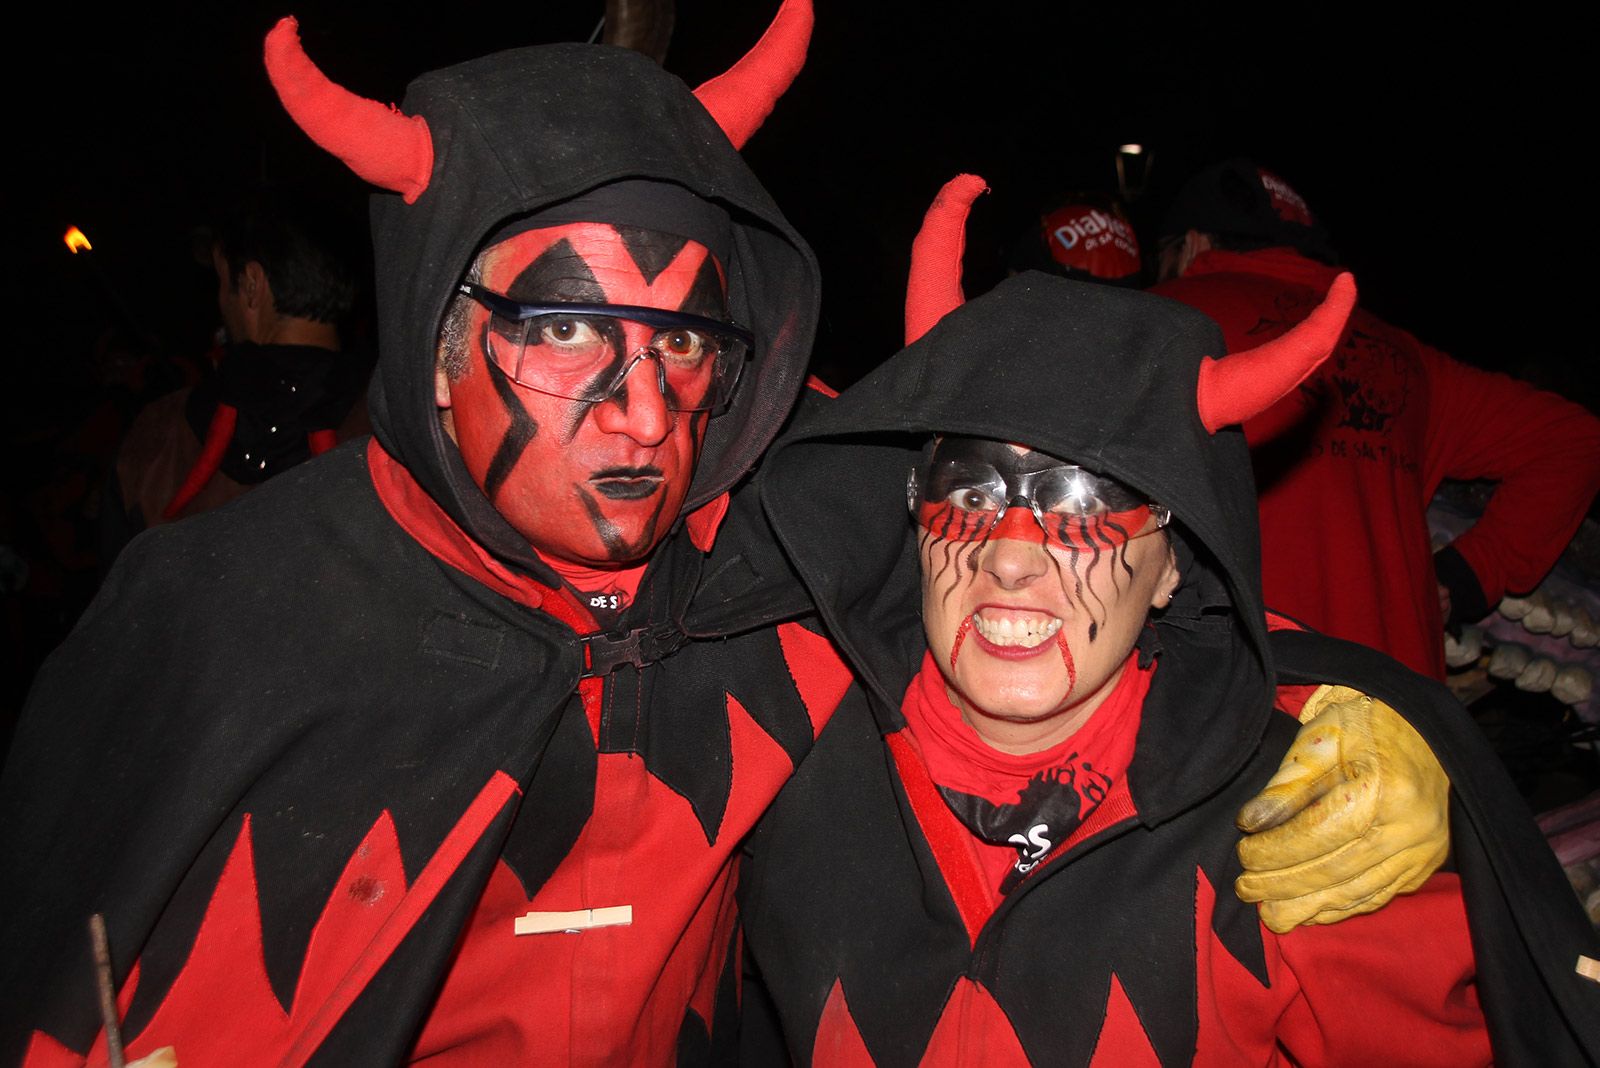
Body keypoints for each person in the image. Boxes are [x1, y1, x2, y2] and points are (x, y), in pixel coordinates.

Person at [2, 17, 1457, 1066]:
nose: (640, 411)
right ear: (437, 335)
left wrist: (1349, 729)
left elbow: (1110, 569)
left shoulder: (795, 545)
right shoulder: (228, 607)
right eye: (562, 327)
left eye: (682, 337)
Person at [740, 176, 1600, 1065]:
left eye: (1084, 501)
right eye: (970, 488)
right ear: (914, 517)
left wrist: (1377, 705)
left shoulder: (1300, 839)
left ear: (1174, 565)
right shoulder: (781, 739)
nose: (1010, 553)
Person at [1151, 159, 1600, 680]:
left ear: (1192, 246)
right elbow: (1575, 440)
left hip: (1218, 711)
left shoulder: (1147, 326)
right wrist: (1469, 574)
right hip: (1396, 720)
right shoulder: (1406, 360)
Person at [105, 189, 369, 557]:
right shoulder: (401, 430)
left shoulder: (158, 434)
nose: (218, 300)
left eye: (220, 281)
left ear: (250, 285)